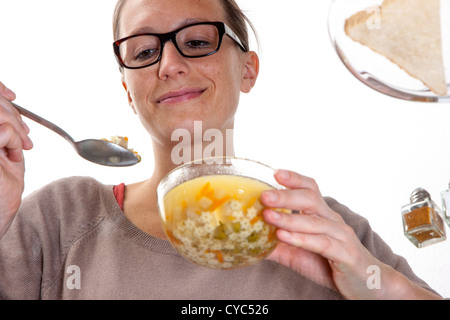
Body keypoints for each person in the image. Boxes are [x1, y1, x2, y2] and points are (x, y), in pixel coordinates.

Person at [0, 0, 442, 300]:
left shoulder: (327, 231)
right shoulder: (62, 218)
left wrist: (377, 284)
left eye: (195, 42)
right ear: (128, 92)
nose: (169, 65)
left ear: (247, 70)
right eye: (144, 51)